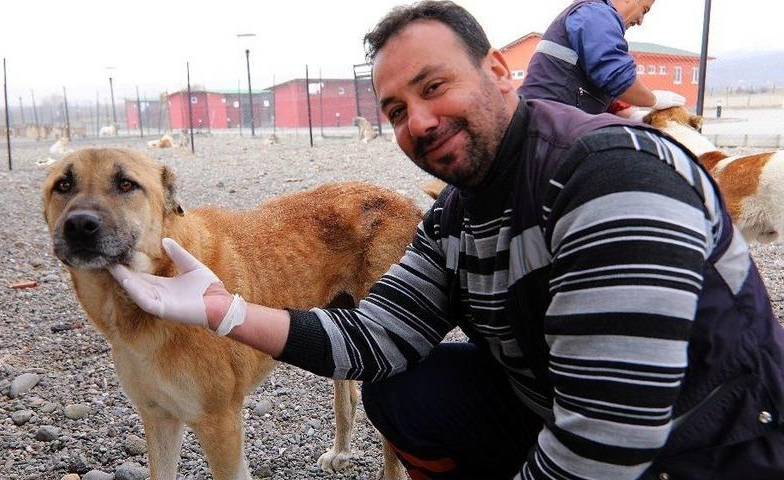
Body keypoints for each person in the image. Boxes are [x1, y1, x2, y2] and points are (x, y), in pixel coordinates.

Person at [109, 2, 784, 479]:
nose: (420, 122)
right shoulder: (457, 214)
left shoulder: (607, 175)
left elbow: (610, 434)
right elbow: (375, 338)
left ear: (497, 69)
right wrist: (224, 310)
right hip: (560, 410)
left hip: (713, 442)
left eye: (434, 87)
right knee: (403, 392)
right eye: (398, 111)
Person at [519, 0, 686, 117]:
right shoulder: (596, 14)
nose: (641, 20)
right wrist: (654, 99)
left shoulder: (591, 14)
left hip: (545, 116)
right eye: (644, 10)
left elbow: (598, 86)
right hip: (544, 122)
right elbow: (617, 78)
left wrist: (631, 116)